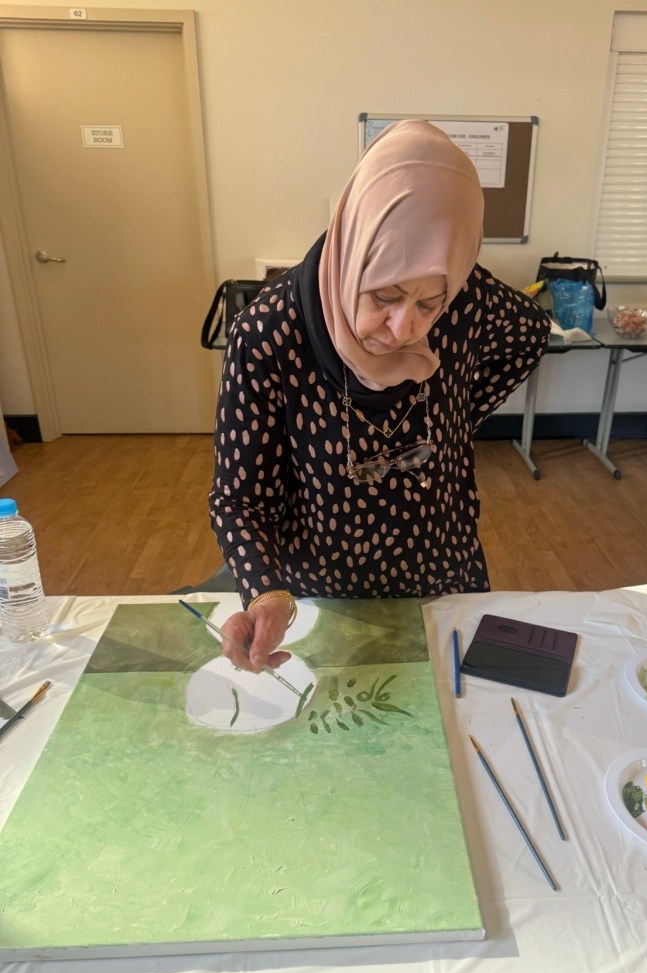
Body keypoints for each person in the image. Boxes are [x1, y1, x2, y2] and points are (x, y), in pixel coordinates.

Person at [208, 120, 550, 672]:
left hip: (445, 571)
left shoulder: (465, 297)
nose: (403, 329)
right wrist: (264, 592)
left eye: (429, 304)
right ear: (354, 252)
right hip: (320, 591)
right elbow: (238, 498)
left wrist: (457, 418)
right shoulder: (270, 333)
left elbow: (529, 334)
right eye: (384, 296)